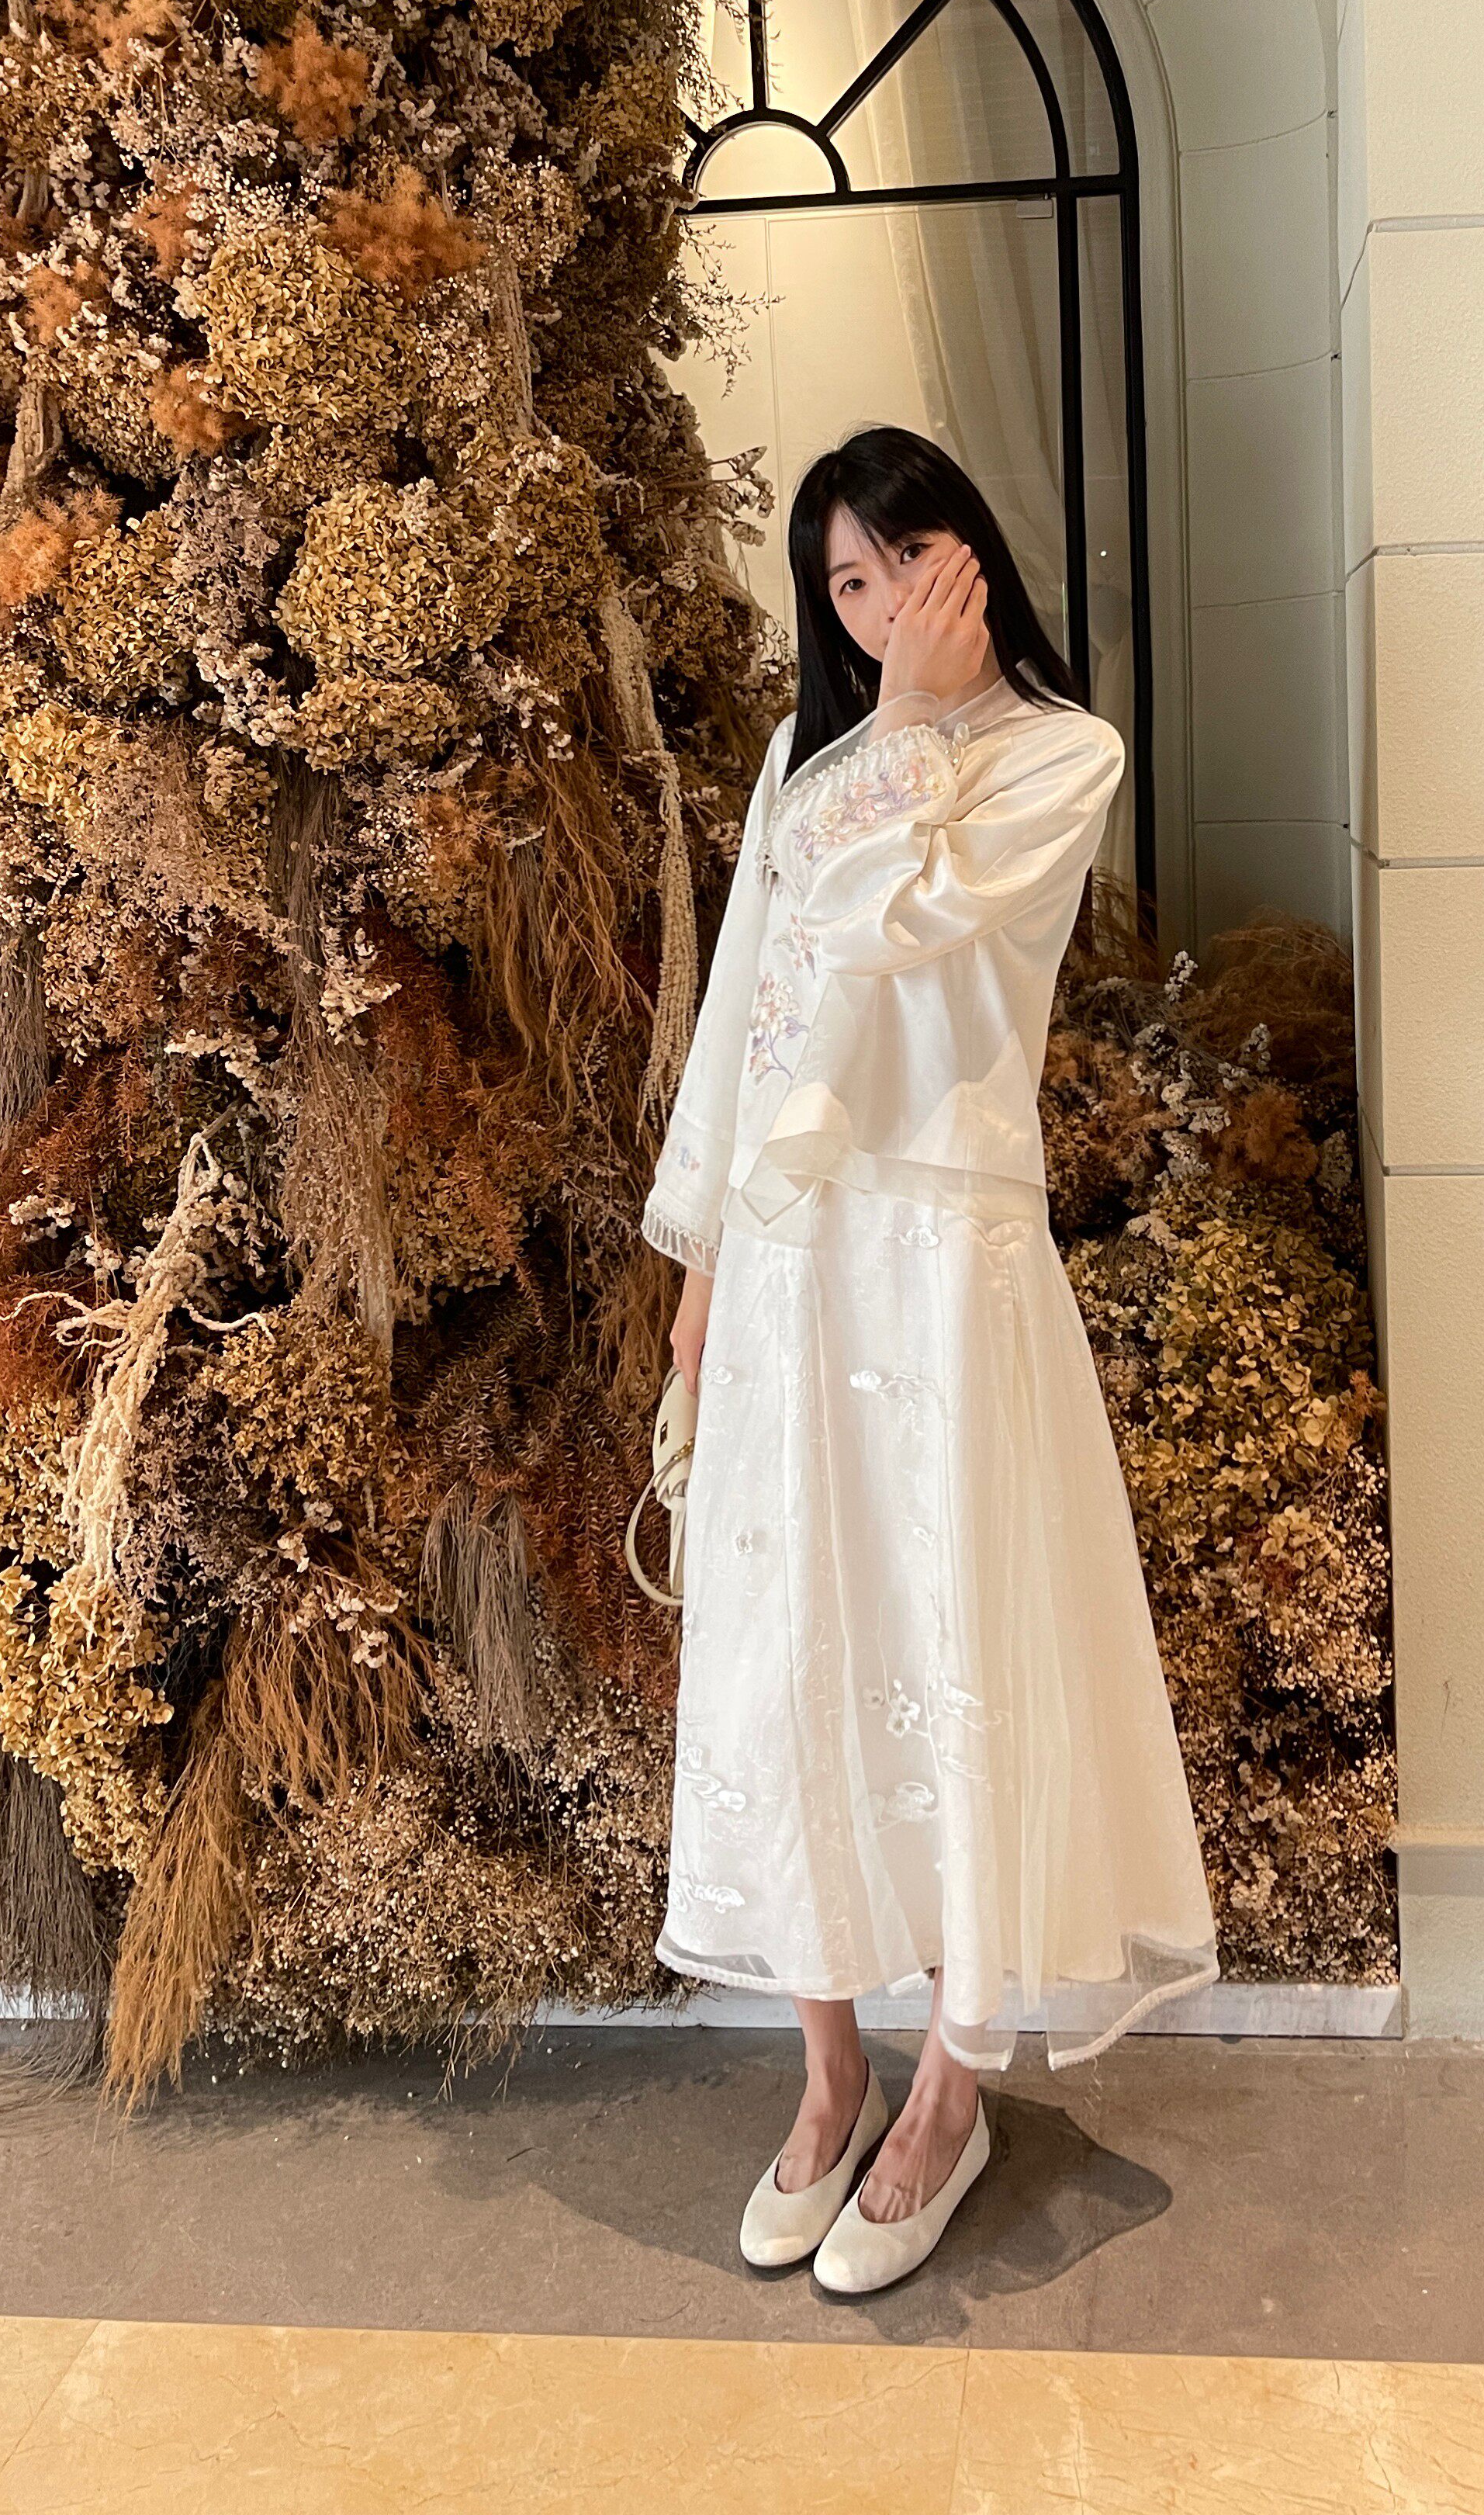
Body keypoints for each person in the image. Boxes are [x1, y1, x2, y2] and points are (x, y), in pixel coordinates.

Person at [637, 423, 1219, 2295]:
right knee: (791, 1644)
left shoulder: (1060, 755)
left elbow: (897, 920)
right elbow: (748, 1003)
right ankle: (827, 2079)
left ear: (972, 557)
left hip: (948, 1268)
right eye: (848, 581)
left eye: (908, 558)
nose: (883, 601)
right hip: (796, 1267)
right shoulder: (800, 767)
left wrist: (906, 723)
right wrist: (703, 1266)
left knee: (956, 1643)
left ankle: (950, 2093)